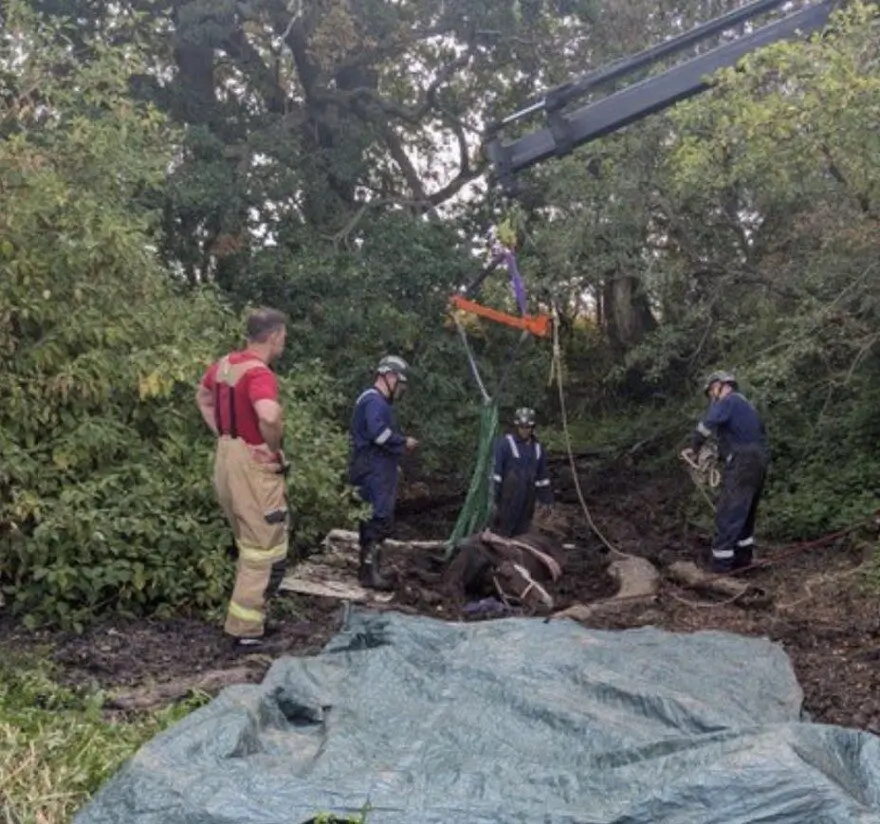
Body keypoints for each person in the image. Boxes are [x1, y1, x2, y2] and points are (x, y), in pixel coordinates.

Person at [195, 307, 290, 649]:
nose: (284, 343)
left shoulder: (225, 365)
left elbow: (203, 397)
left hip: (225, 458)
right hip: (252, 466)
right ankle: (246, 632)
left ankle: (252, 617)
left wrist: (225, 433)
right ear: (275, 336)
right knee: (264, 547)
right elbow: (269, 413)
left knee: (247, 541)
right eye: (284, 337)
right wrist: (272, 446)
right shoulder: (259, 374)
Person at [684, 370, 770, 573]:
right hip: (759, 461)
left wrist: (695, 448)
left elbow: (706, 426)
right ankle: (743, 562)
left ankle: (720, 569)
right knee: (745, 513)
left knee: (728, 513)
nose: (712, 396)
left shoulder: (728, 401)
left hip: (742, 462)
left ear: (720, 386)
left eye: (712, 390)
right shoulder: (747, 406)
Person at [348, 355, 419, 590]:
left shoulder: (373, 401)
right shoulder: (374, 402)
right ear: (389, 377)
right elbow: (380, 436)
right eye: (400, 384)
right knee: (376, 519)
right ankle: (369, 573)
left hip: (375, 467)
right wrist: (403, 443)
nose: (400, 390)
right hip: (372, 469)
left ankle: (370, 569)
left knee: (376, 518)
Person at [490, 407, 553, 537]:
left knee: (522, 534)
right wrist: (493, 500)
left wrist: (546, 501)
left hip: (527, 500)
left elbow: (543, 478)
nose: (525, 430)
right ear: (516, 426)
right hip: (507, 500)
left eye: (528, 427)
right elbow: (496, 475)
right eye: (522, 427)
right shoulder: (504, 444)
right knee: (502, 532)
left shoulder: (537, 448)